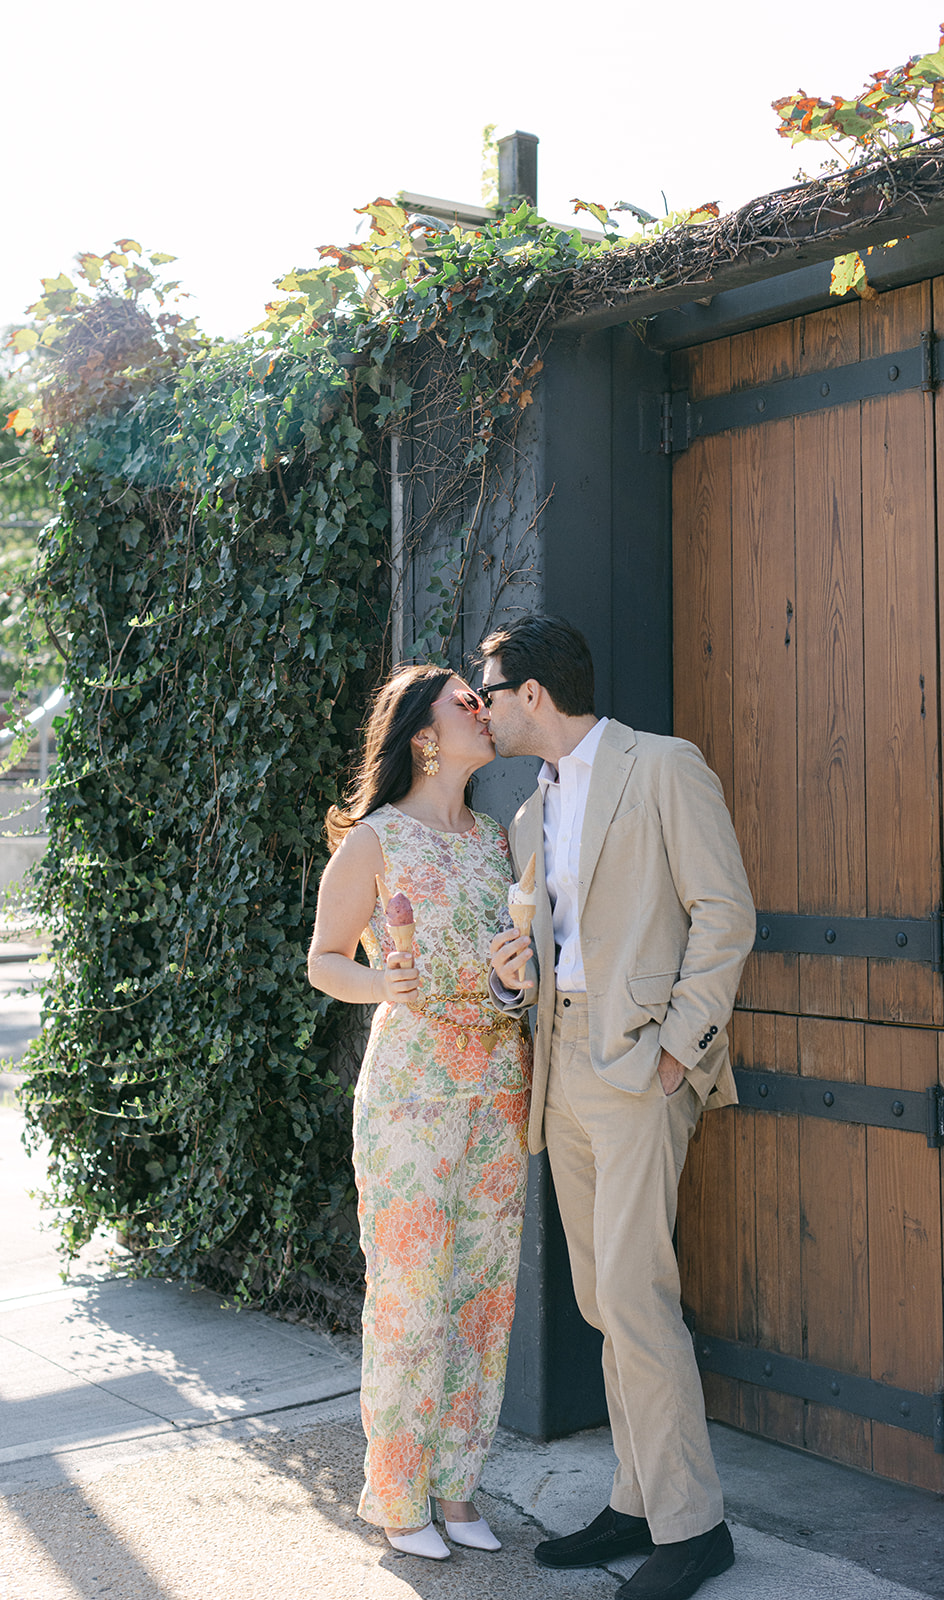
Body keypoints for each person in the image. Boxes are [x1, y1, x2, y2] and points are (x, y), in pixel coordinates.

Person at [482, 613, 755, 1600]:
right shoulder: (528, 813)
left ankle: (694, 1526)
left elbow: (724, 912)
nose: (481, 703)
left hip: (641, 1067)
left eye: (490, 687)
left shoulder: (662, 767)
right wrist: (513, 984)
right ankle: (636, 1499)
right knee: (604, 1302)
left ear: (533, 695)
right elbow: (544, 949)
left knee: (634, 1298)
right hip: (561, 1066)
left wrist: (678, 1050)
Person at [307, 664, 531, 1560]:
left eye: (485, 700)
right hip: (409, 1099)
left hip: (497, 1091)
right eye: (465, 703)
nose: (484, 711)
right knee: (409, 1299)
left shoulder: (494, 842)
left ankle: (457, 1487)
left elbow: (506, 969)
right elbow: (324, 960)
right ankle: (398, 1497)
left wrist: (514, 983)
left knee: (483, 1296)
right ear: (424, 735)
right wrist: (378, 982)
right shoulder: (374, 841)